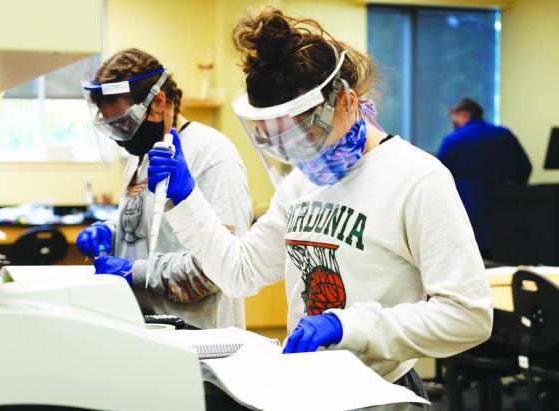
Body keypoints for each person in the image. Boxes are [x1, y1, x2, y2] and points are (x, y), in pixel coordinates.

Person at [147, 8, 493, 400]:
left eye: (305, 133)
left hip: (380, 391)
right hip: (311, 387)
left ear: (344, 101)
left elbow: (469, 316)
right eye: (279, 141)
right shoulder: (300, 183)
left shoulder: (417, 178)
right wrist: (187, 200)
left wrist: (352, 327)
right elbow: (240, 272)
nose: (296, 154)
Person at [77, 48, 252, 329]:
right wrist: (112, 231)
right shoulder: (142, 154)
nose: (122, 138)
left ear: (158, 102)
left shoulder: (213, 155)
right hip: (145, 329)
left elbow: (221, 269)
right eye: (113, 127)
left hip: (198, 342)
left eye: (124, 123)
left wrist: (135, 272)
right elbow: (149, 225)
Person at [438, 98, 532, 258]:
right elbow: (525, 169)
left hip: (468, 215)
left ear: (463, 115)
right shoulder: (505, 135)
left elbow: (440, 178)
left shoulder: (453, 140)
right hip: (508, 216)